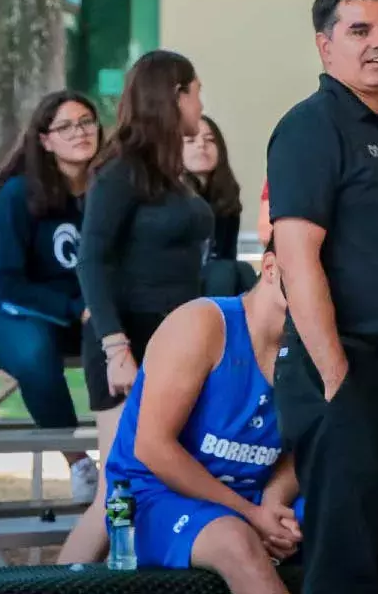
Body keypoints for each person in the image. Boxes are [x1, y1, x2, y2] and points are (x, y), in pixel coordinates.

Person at [266, 0, 378, 594]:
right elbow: (297, 258)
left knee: (377, 567)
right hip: (344, 375)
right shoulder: (313, 127)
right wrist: (337, 378)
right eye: (359, 29)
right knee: (343, 574)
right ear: (324, 45)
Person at [59, 48, 213, 563]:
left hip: (176, 342)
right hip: (128, 342)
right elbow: (92, 260)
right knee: (115, 491)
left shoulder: (170, 173)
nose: (201, 104)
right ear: (176, 95)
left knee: (164, 482)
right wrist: (115, 348)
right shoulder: (121, 169)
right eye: (196, 92)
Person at [101, 241, 303, 592]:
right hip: (156, 495)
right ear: (270, 268)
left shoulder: (313, 345)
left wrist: (273, 501)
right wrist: (251, 514)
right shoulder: (203, 323)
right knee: (237, 542)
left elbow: (304, 447)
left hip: (253, 494)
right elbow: (151, 447)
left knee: (361, 521)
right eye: (310, 274)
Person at [0, 90, 102, 503]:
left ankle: (132, 457)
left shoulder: (110, 189)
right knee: (35, 352)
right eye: (65, 126)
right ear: (45, 140)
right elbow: (4, 281)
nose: (79, 132)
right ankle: (79, 462)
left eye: (86, 122)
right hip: (11, 310)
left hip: (78, 313)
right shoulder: (18, 194)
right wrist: (74, 308)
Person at [185, 115, 243, 261]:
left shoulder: (227, 197)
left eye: (210, 139)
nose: (201, 145)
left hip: (218, 275)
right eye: (190, 140)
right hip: (181, 278)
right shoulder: (169, 196)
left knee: (241, 271)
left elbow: (228, 255)